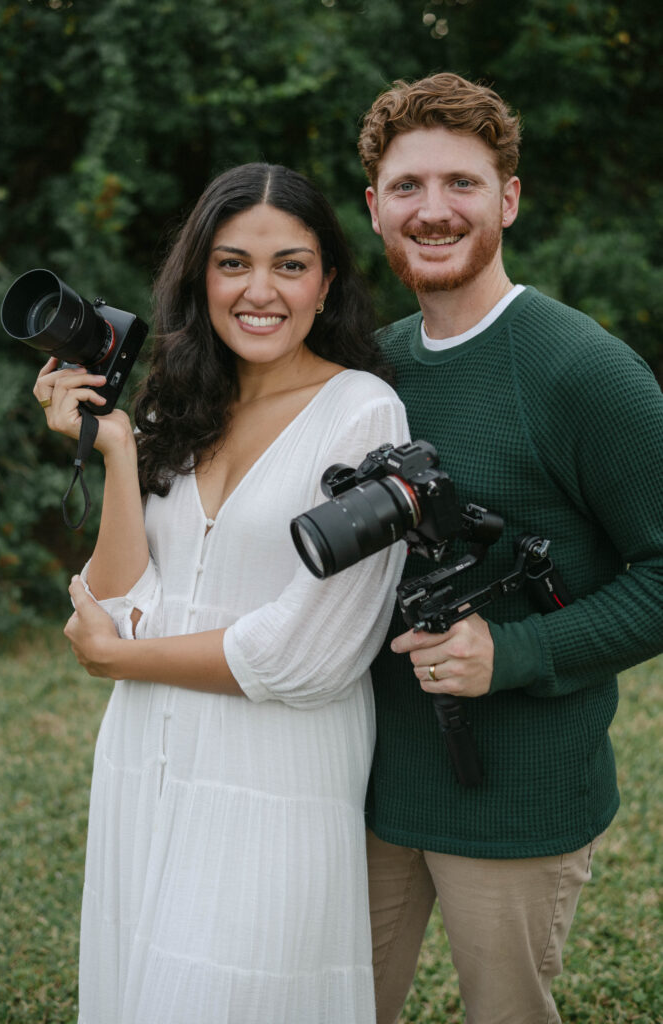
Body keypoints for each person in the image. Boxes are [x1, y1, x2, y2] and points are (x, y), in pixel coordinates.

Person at [33, 162, 410, 1024]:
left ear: (328, 282)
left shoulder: (363, 413)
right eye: (233, 263)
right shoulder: (176, 408)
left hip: (275, 777)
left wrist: (122, 656)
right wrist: (119, 451)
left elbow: (309, 653)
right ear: (200, 276)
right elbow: (124, 603)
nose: (260, 290)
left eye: (290, 264)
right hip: (147, 761)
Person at [356, 73, 663, 1024]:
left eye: (463, 184)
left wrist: (516, 650)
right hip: (361, 786)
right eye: (408, 187)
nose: (434, 210)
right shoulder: (369, 366)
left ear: (510, 199)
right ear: (374, 209)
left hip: (519, 799)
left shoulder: (583, 368)